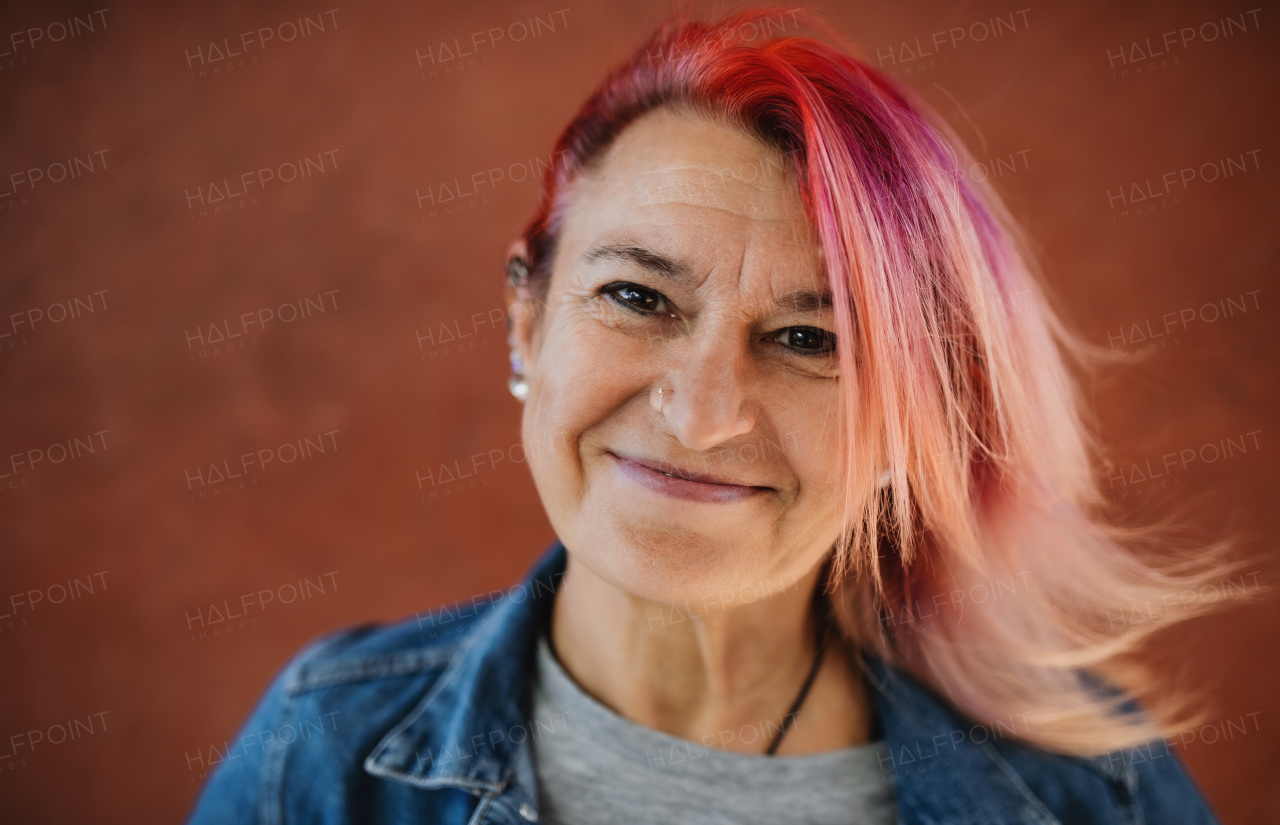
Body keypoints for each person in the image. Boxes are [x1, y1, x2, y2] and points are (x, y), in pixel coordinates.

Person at [186, 9, 1240, 824]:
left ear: (919, 414)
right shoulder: (322, 746)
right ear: (526, 320)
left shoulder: (1096, 792)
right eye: (638, 299)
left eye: (809, 341)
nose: (700, 417)